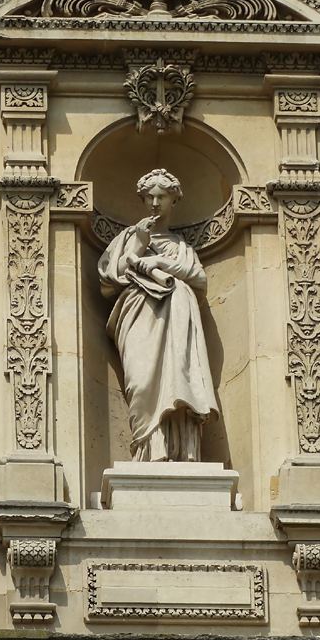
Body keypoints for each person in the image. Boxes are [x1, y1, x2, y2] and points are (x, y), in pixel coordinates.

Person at [98, 169, 218, 461]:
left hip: (177, 315)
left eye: (161, 196)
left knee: (179, 378)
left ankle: (179, 452)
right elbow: (107, 284)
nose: (154, 202)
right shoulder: (128, 238)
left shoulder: (181, 247)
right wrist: (138, 246)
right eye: (149, 196)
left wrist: (158, 261)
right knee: (141, 383)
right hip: (139, 315)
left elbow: (199, 279)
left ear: (173, 199)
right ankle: (147, 449)